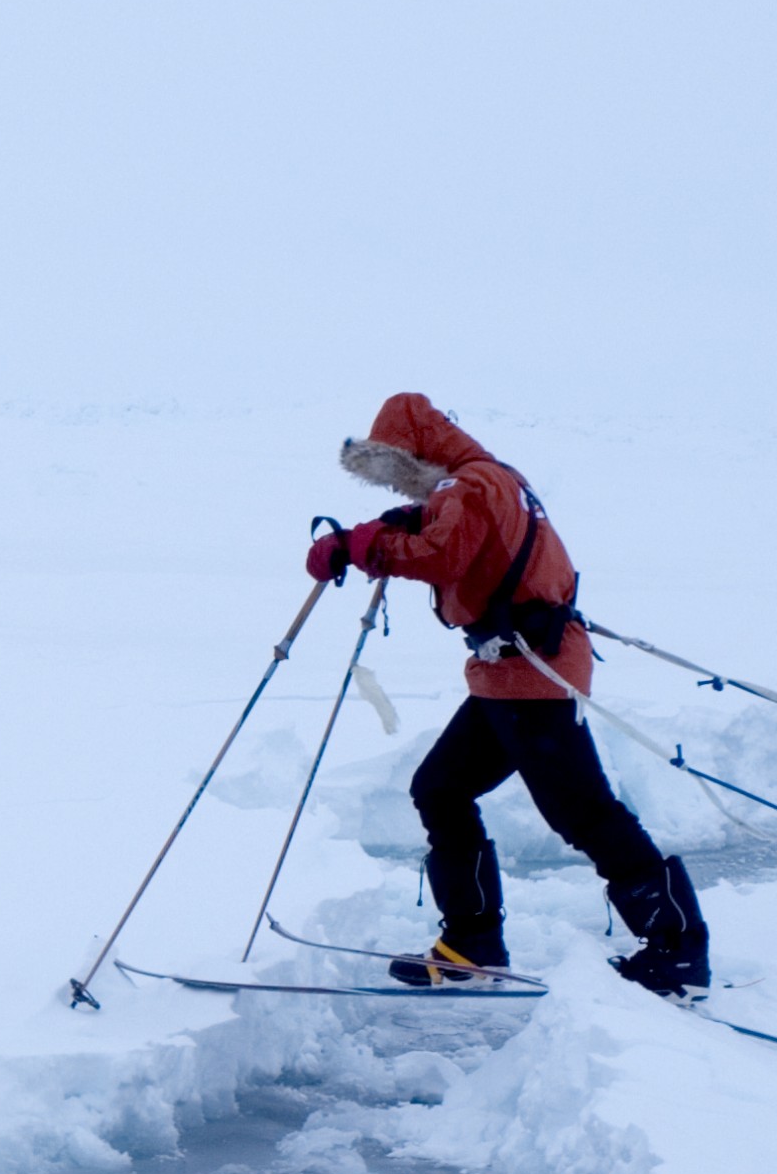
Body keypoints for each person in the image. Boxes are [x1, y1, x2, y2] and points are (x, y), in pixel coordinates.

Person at [304, 393, 710, 997]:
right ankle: (472, 943)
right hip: (511, 671)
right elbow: (459, 535)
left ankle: (678, 952)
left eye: (396, 468)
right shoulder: (490, 482)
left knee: (584, 812)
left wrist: (365, 547)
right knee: (441, 788)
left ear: (419, 451)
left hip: (531, 674)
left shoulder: (468, 487)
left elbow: (446, 553)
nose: (397, 485)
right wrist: (393, 527)